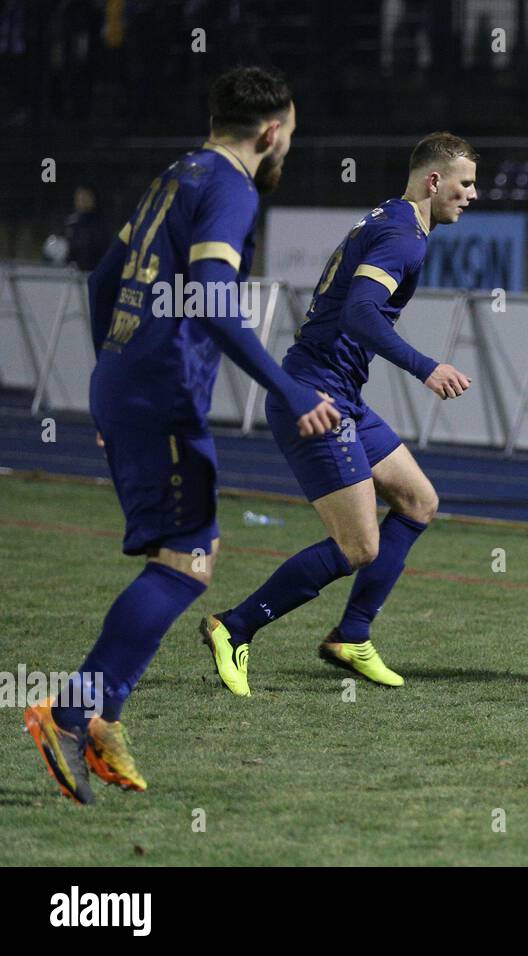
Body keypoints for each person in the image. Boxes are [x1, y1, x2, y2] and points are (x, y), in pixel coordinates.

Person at [24, 67, 340, 804]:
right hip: (160, 391)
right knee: (187, 561)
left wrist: (114, 374)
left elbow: (103, 281)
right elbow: (215, 302)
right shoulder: (231, 185)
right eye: (290, 130)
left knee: (188, 550)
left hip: (129, 380)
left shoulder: (177, 174)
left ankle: (102, 722)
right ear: (273, 130)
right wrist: (291, 391)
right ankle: (73, 711)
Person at [199, 133, 477, 696]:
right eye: (465, 183)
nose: (472, 194)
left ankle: (351, 635)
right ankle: (235, 626)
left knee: (419, 500)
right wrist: (426, 367)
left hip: (340, 393)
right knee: (359, 547)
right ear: (434, 181)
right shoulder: (404, 237)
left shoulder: (392, 219)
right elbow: (359, 314)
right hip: (315, 398)